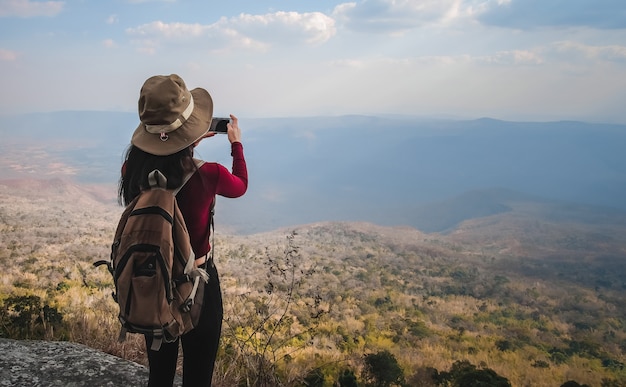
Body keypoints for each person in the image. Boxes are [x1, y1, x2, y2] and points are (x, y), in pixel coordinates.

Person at [118, 74, 248, 386]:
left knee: (160, 375)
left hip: (153, 280)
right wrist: (236, 144)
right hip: (199, 283)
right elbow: (240, 185)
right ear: (192, 129)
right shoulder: (209, 176)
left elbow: (165, 157)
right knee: (198, 378)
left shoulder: (131, 170)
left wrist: (186, 140)